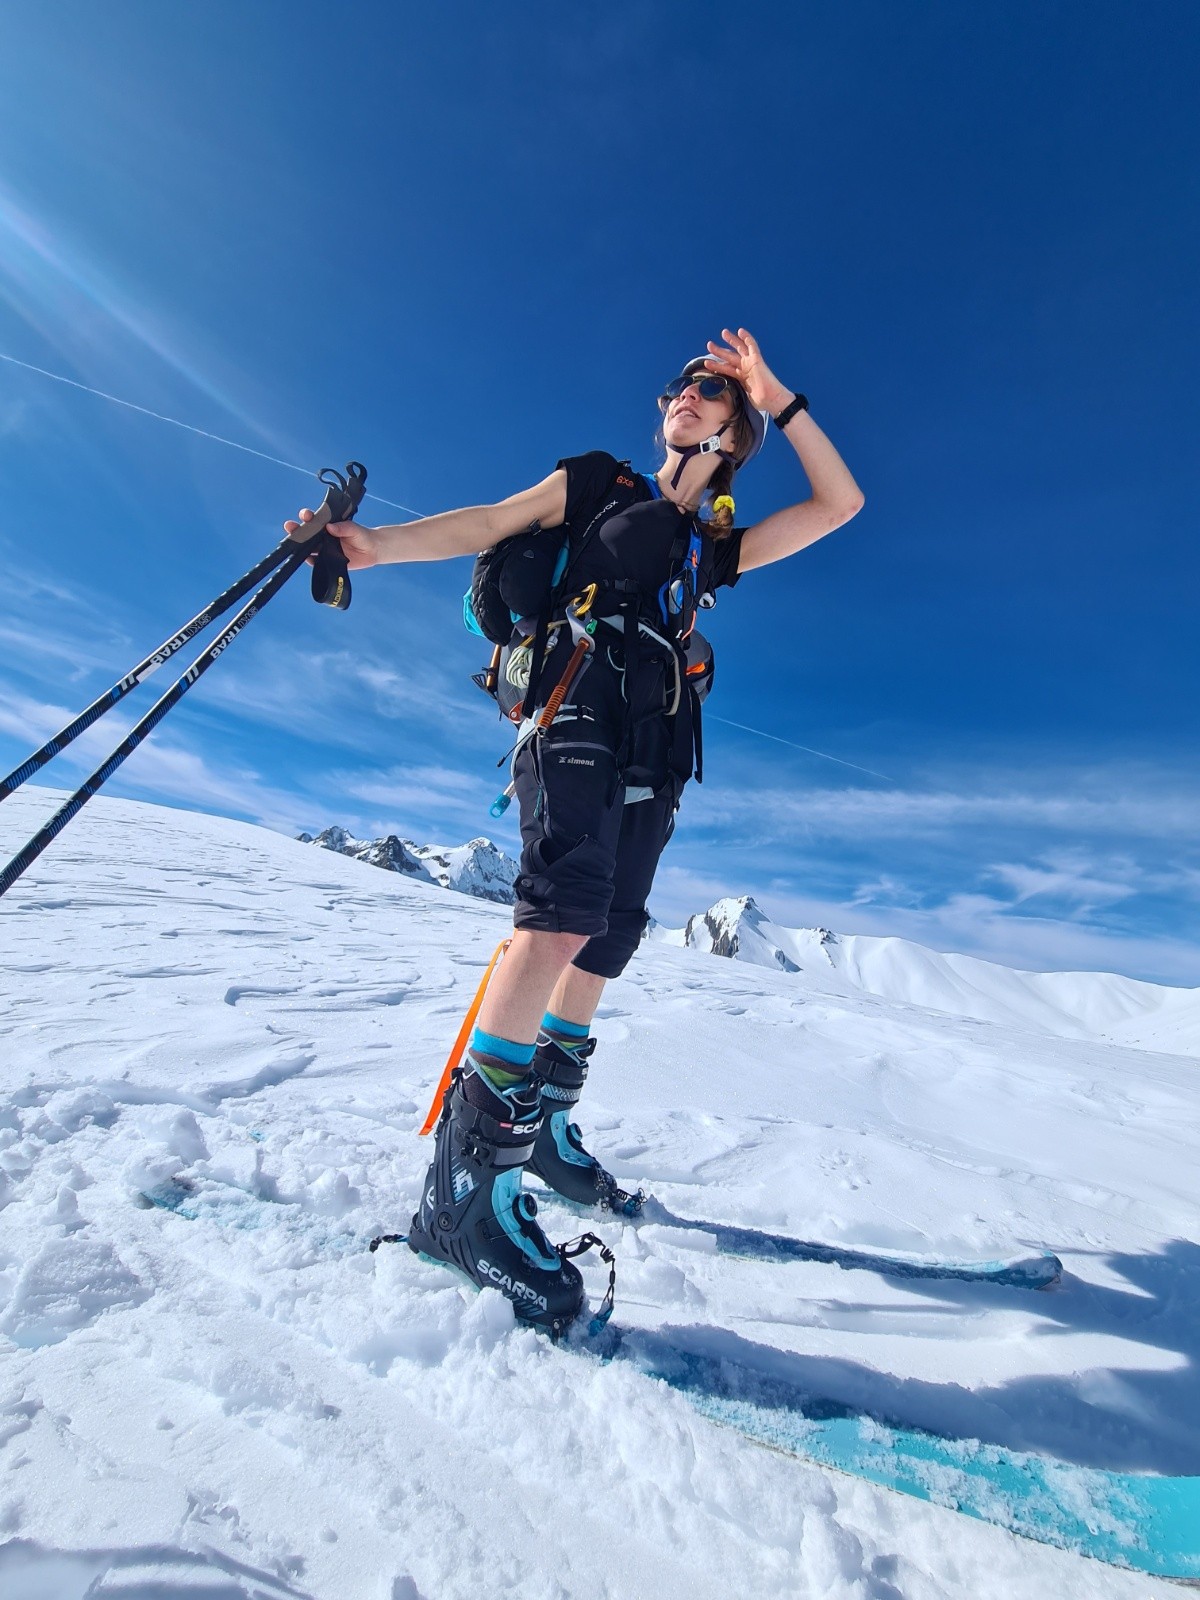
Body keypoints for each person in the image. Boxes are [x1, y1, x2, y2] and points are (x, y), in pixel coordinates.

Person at [287, 328, 864, 1331]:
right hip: (574, 707)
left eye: (710, 391)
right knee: (555, 919)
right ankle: (465, 1194)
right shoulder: (602, 482)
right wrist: (373, 547)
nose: (685, 393)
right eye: (682, 384)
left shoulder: (711, 547)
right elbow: (492, 521)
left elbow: (840, 504)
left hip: (656, 746)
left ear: (735, 435)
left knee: (606, 937)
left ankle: (546, 1132)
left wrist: (780, 398)